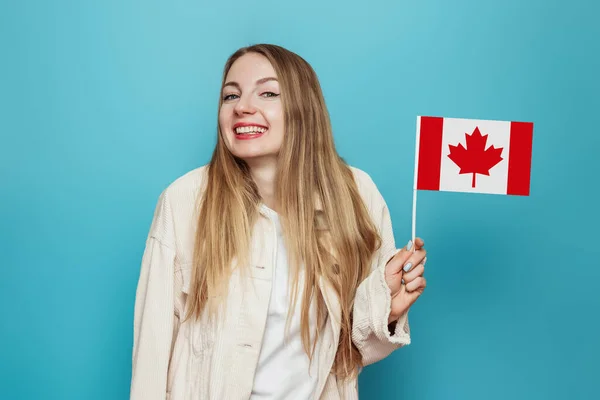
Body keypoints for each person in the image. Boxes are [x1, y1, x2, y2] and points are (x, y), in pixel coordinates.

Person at [129, 43, 427, 400]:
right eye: (230, 96)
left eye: (267, 92)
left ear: (303, 108)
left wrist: (385, 309)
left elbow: (352, 353)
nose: (243, 107)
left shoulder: (355, 195)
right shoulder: (184, 202)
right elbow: (152, 350)